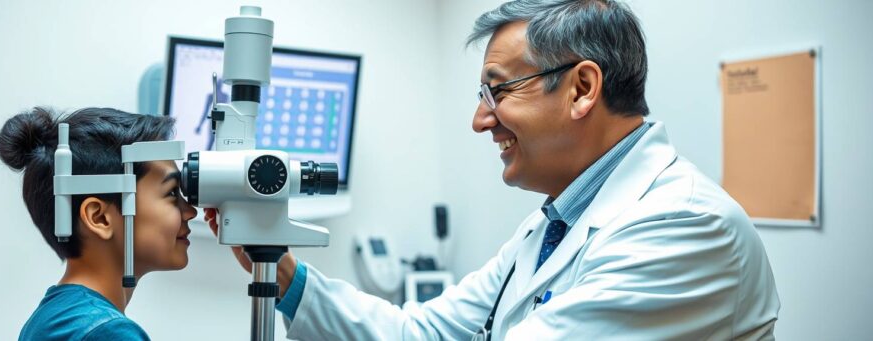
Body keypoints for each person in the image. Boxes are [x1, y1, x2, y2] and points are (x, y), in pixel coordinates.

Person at [207, 0, 780, 339]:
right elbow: (426, 334)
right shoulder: (551, 226)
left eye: (498, 91)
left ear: (582, 89)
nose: (481, 121)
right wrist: (277, 270)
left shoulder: (683, 226)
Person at [0, 107, 197, 340]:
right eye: (172, 193)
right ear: (99, 217)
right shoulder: (106, 332)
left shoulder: (57, 316)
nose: (189, 211)